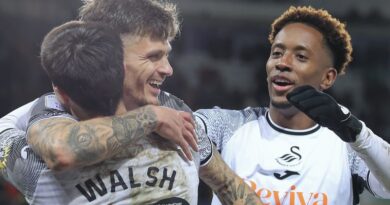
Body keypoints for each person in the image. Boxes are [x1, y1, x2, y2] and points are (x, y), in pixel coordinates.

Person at [0, 0, 262, 204]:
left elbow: (227, 185)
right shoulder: (52, 110)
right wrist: (150, 118)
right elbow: (61, 150)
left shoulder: (173, 108)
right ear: (111, 55)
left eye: (166, 55)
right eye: (153, 56)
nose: (168, 69)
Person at [195, 6, 390, 205]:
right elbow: (176, 122)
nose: (283, 63)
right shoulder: (229, 126)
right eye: (277, 53)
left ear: (327, 77)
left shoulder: (346, 148)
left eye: (301, 57)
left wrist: (355, 131)